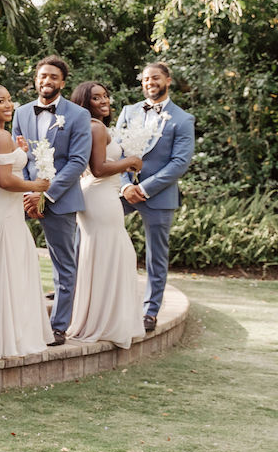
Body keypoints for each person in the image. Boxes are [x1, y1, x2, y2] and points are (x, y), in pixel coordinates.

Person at [11, 56, 93, 346]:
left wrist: (45, 194)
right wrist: (25, 191)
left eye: (53, 77)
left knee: (63, 266)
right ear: (36, 79)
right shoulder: (20, 113)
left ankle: (58, 326)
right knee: (6, 255)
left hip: (59, 199)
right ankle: (9, 317)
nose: (47, 81)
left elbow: (77, 161)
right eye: (43, 76)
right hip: (22, 198)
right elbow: (16, 156)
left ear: (62, 82)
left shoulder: (78, 115)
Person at [0, 84, 54, 359]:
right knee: (6, 268)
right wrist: (36, 184)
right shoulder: (1, 135)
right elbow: (5, 181)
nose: (8, 105)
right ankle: (5, 337)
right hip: (2, 208)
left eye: (9, 99)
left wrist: (20, 152)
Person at [115, 62, 195, 333]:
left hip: (158, 196)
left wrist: (145, 188)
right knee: (90, 231)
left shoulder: (183, 119)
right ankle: (78, 293)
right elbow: (117, 152)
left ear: (168, 81)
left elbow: (179, 163)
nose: (150, 82)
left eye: (156, 78)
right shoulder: (129, 111)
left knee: (156, 257)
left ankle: (150, 311)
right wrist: (126, 185)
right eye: (146, 79)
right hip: (124, 193)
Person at [69, 81, 144, 349]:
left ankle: (102, 319)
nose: (104, 101)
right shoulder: (94, 127)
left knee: (106, 255)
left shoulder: (95, 126)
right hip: (100, 195)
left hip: (101, 194)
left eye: (105, 96)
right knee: (114, 254)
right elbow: (99, 168)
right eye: (96, 97)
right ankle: (104, 323)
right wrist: (131, 162)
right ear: (84, 103)